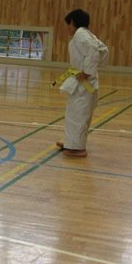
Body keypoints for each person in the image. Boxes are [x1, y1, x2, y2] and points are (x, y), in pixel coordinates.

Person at [56, 8, 107, 158]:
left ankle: (78, 149)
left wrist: (86, 72)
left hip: (85, 84)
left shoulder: (81, 36)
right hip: (83, 84)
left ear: (73, 22)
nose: (67, 28)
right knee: (74, 114)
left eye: (68, 24)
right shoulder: (88, 35)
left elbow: (94, 53)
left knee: (79, 116)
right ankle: (72, 144)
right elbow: (104, 51)